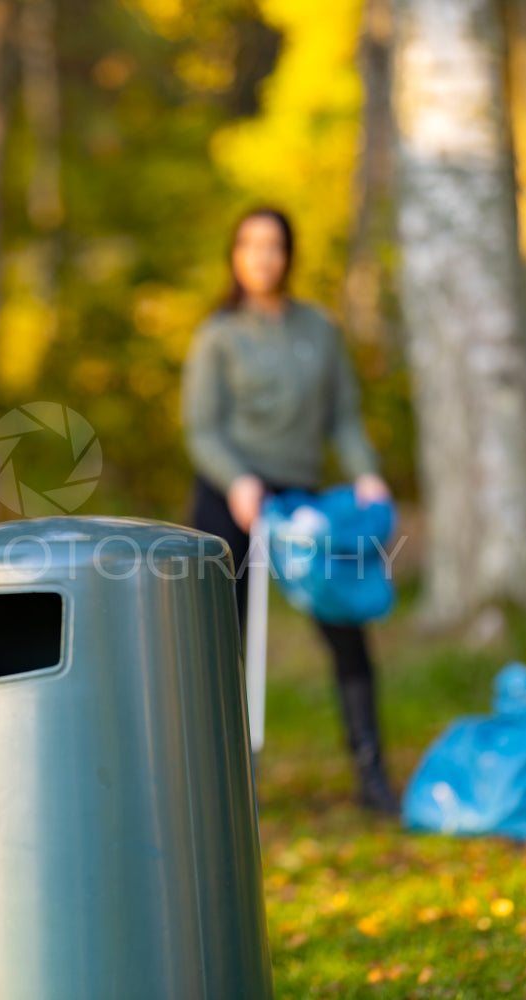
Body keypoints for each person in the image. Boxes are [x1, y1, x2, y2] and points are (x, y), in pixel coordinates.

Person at [181, 207, 401, 815]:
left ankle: (372, 774)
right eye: (249, 244)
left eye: (273, 245)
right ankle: (218, 784)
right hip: (232, 497)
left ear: (289, 255)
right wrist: (239, 481)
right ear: (235, 255)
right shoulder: (217, 336)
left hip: (302, 501)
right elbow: (202, 431)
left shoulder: (320, 330)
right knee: (221, 642)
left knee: (346, 627)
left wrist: (367, 474)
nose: (262, 256)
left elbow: (345, 417)